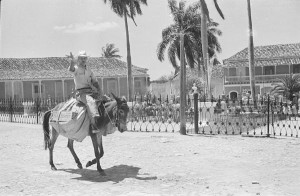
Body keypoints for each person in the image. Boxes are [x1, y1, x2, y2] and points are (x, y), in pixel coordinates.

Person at [66, 51, 102, 131]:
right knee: (91, 102)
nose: (83, 60)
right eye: (81, 58)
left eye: (85, 58)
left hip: (91, 92)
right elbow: (71, 69)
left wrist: (99, 91)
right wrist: (72, 61)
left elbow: (95, 81)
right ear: (78, 59)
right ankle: (94, 125)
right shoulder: (76, 68)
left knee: (104, 102)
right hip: (81, 93)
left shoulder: (89, 70)